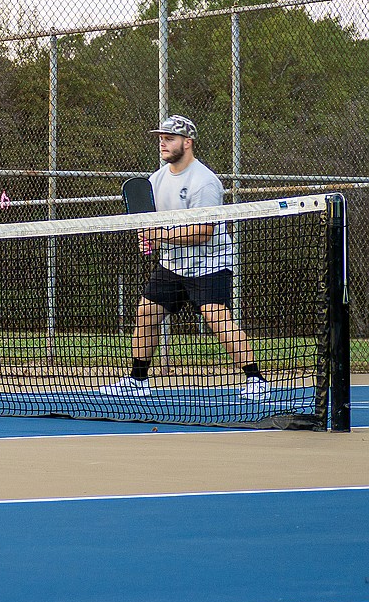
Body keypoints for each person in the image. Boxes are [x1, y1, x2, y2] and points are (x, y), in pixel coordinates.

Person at [100, 115, 269, 401]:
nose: (163, 143)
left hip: (210, 263)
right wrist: (147, 238)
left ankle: (257, 380)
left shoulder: (204, 183)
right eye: (161, 139)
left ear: (187, 143)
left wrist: (159, 235)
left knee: (218, 319)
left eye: (170, 139)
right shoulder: (156, 179)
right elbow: (149, 222)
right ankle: (138, 381)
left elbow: (203, 231)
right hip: (172, 264)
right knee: (146, 312)